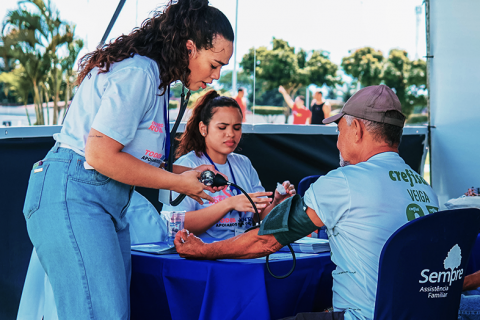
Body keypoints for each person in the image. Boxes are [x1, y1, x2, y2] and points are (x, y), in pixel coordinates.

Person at [22, 1, 234, 319]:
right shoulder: (141, 72)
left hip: (100, 200)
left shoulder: (155, 79)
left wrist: (185, 172)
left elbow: (132, 158)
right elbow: (99, 154)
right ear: (190, 48)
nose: (215, 76)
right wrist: (179, 182)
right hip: (75, 195)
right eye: (215, 64)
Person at [174, 85, 439, 320]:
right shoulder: (426, 189)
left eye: (339, 129)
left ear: (356, 129)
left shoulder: (344, 181)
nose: (337, 141)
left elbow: (266, 240)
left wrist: (204, 251)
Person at [162, 90, 296, 239]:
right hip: (203, 256)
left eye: (237, 127)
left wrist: (276, 204)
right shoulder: (187, 165)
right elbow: (176, 225)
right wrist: (228, 204)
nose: (231, 134)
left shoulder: (244, 163)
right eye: (222, 127)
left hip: (242, 251)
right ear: (203, 129)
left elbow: (257, 217)